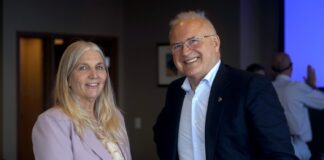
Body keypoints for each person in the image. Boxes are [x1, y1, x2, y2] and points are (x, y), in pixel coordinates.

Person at [153, 11, 297, 160]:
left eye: (193, 40)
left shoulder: (251, 87)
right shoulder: (176, 91)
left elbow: (280, 155)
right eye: (177, 46)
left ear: (215, 43)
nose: (185, 51)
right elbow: (162, 136)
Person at [32, 41, 131, 160]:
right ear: (67, 78)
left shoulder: (115, 118)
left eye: (99, 67)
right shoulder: (52, 122)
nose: (94, 75)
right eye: (83, 68)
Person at [272, 52, 324, 160]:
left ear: (272, 69)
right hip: (299, 151)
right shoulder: (296, 87)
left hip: (273, 149)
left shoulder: (266, 88)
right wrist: (312, 86)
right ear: (291, 67)